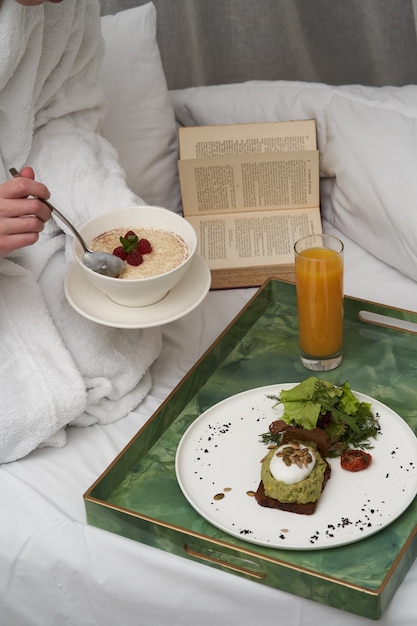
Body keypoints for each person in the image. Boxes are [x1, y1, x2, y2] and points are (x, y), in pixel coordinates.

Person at [0, 0, 162, 463]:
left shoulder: (65, 6)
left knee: (111, 338)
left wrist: (105, 210)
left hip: (24, 236)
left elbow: (61, 115)